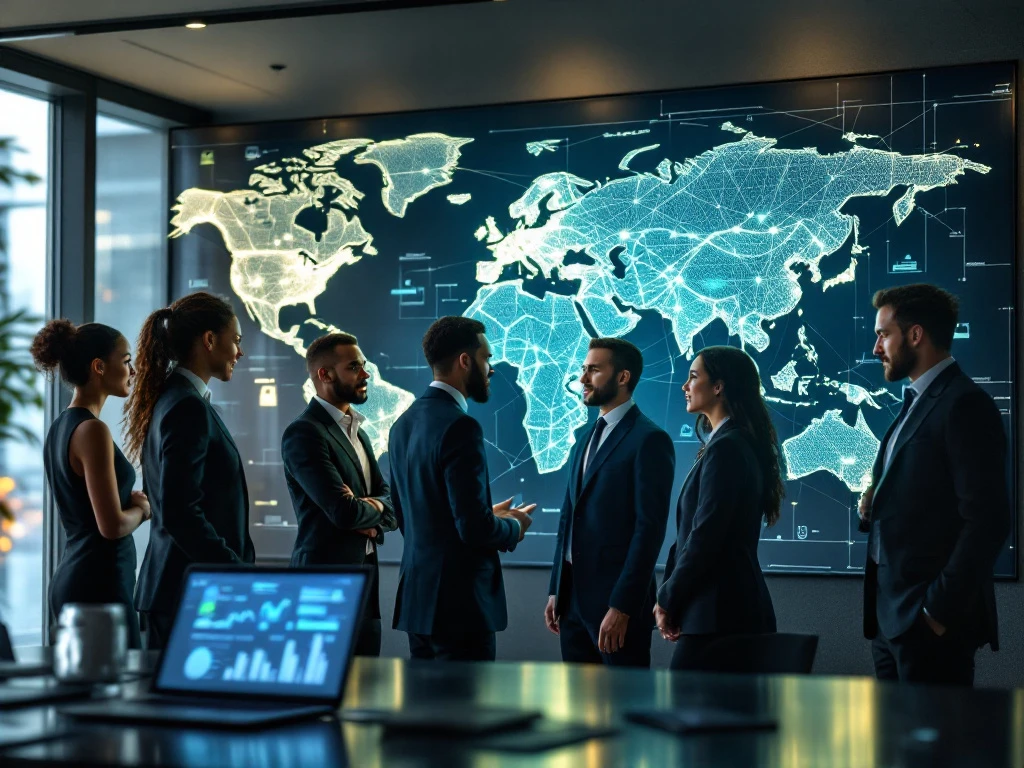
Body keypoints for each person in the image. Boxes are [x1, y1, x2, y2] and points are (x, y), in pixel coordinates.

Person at [859, 284, 1010, 686]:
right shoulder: (915, 403)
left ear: (915, 335)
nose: (876, 349)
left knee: (933, 749)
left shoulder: (964, 404)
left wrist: (935, 613)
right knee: (890, 747)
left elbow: (989, 520)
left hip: (927, 625)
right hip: (891, 624)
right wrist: (877, 502)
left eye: (883, 334)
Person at [388, 316, 536, 661]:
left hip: (419, 604)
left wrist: (487, 512)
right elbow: (473, 529)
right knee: (465, 713)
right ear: (465, 361)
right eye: (486, 359)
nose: (491, 370)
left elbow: (415, 515)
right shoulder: (461, 426)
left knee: (428, 710)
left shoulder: (402, 424)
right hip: (460, 611)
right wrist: (513, 526)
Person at [124, 292, 255, 650]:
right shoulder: (187, 407)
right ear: (210, 340)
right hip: (190, 594)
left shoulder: (174, 398)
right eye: (236, 341)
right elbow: (181, 513)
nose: (239, 353)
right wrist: (238, 572)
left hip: (180, 591)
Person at [544, 338, 674, 668]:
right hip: (571, 604)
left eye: (594, 370)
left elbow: (649, 531)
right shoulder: (584, 437)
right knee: (576, 713)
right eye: (583, 370)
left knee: (621, 710)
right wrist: (556, 588)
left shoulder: (650, 440)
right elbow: (568, 518)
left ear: (622, 377)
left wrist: (622, 607)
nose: (583, 379)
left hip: (617, 610)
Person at [654, 346, 782, 670]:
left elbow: (705, 536)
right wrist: (670, 595)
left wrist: (668, 597)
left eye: (694, 377)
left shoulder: (727, 448)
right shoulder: (731, 442)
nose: (684, 386)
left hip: (721, 614)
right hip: (719, 611)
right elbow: (691, 535)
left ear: (718, 387)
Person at [32, 320, 151, 648]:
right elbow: (111, 526)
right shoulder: (92, 430)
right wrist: (142, 509)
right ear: (99, 366)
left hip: (79, 578)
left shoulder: (60, 427)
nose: (133, 370)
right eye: (126, 360)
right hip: (99, 584)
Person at [282, 333, 398, 656]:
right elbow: (343, 512)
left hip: (365, 585)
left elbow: (393, 506)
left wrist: (369, 507)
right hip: (321, 588)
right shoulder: (304, 433)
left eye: (363, 365)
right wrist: (368, 507)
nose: (365, 374)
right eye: (354, 367)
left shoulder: (359, 433)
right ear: (325, 374)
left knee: (366, 690)